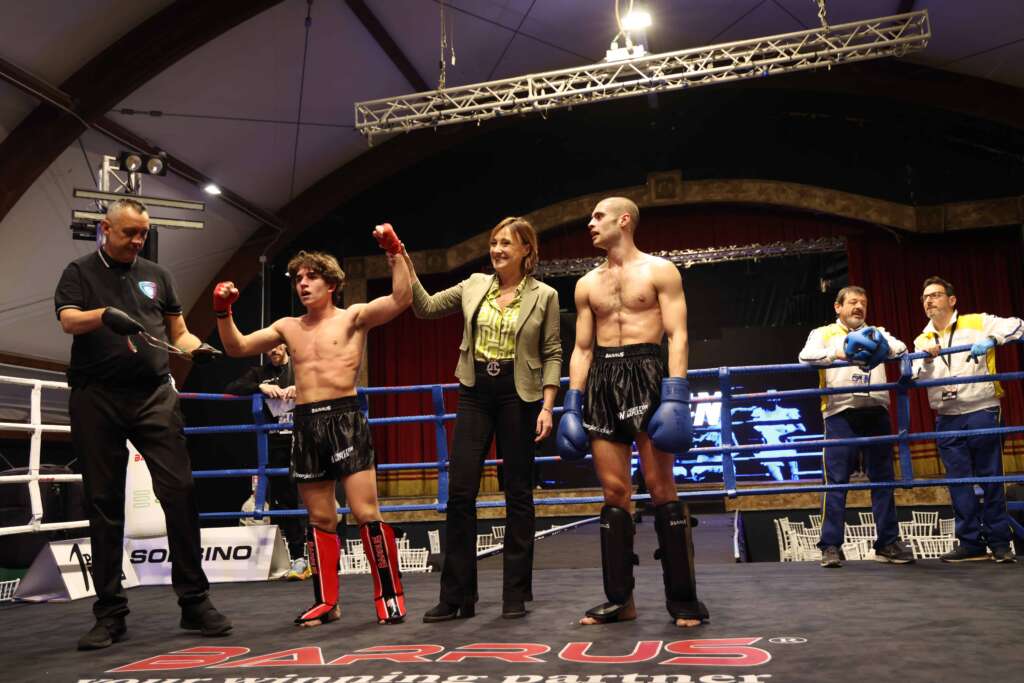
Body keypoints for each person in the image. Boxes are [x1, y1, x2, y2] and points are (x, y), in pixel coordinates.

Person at [54, 198, 231, 651]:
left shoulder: (158, 275)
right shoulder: (79, 272)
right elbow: (68, 320)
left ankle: (194, 602)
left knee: (181, 491)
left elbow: (178, 332)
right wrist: (102, 315)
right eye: (129, 232)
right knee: (104, 501)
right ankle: (110, 614)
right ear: (106, 229)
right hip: (96, 397)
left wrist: (196, 348)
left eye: (143, 233)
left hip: (153, 395)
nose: (137, 240)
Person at [215, 227, 413, 625]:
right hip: (306, 424)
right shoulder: (288, 327)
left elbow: (401, 298)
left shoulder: (353, 317)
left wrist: (396, 251)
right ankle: (327, 602)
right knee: (320, 519)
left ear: (332, 284)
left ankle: (390, 595)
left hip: (345, 419)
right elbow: (237, 346)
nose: (302, 284)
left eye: (311, 277)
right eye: (298, 279)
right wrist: (223, 311)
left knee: (365, 512)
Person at [557, 196, 707, 628]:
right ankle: (621, 601)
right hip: (603, 378)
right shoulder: (587, 284)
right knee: (614, 492)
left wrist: (676, 393)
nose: (590, 223)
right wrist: (573, 401)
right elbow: (582, 348)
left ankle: (684, 601)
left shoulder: (660, 270)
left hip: (648, 371)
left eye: (598, 216)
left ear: (624, 221)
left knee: (661, 487)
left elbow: (678, 334)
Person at [404, 217, 561, 622]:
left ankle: (515, 594)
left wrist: (547, 406)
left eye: (506, 243)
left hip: (519, 394)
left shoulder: (544, 295)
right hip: (476, 390)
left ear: (526, 250)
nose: (497, 249)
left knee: (518, 493)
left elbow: (552, 353)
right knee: (460, 492)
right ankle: (457, 596)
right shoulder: (474, 284)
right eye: (493, 242)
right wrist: (402, 260)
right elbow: (425, 307)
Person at [799, 285, 915, 568]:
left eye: (863, 302)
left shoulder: (877, 331)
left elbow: (901, 348)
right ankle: (830, 545)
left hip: (876, 411)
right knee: (836, 481)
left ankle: (887, 543)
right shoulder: (823, 333)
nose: (859, 307)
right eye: (852, 302)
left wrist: (880, 347)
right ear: (838, 307)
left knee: (883, 480)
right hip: (840, 412)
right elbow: (805, 357)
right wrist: (841, 351)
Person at [913, 276, 1022, 563]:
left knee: (991, 478)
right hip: (947, 416)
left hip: (982, 409)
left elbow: (1018, 325)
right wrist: (926, 359)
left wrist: (991, 339)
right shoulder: (922, 339)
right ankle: (970, 543)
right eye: (925, 297)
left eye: (935, 295)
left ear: (952, 300)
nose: (929, 300)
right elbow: (914, 376)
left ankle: (1000, 543)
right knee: (958, 482)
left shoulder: (977, 321)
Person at [225, 343, 311, 579]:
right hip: (276, 445)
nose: (273, 351)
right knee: (285, 502)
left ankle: (322, 556)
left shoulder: (301, 367)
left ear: (285, 345)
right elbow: (232, 388)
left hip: (306, 439)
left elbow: (326, 383)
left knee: (317, 497)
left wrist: (301, 388)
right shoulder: (260, 373)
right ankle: (299, 559)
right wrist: (259, 387)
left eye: (276, 346)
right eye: (268, 348)